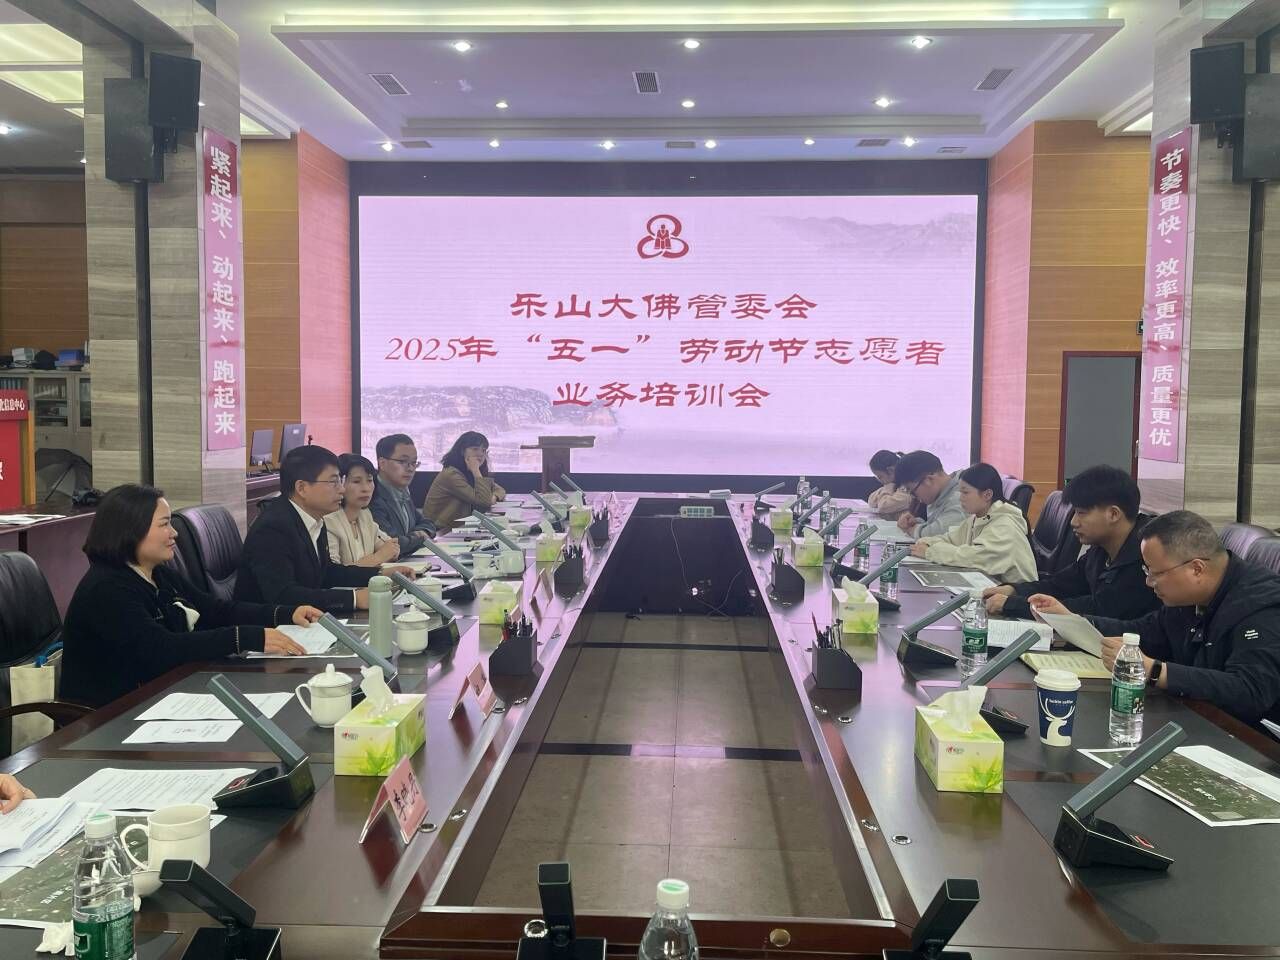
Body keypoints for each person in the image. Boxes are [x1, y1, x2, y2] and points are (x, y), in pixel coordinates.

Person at [61, 484, 314, 708]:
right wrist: (244, 638)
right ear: (131, 530)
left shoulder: (157, 573)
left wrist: (285, 613)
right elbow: (160, 648)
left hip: (167, 690)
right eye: (164, 524)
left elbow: (216, 610)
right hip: (115, 713)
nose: (174, 533)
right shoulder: (106, 588)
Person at [1031, 510, 1280, 726]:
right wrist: (1070, 620)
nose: (1149, 582)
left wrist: (1155, 670)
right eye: (1146, 570)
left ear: (1196, 569)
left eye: (1156, 573)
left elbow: (1251, 691)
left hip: (1252, 744)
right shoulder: (1188, 597)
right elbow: (1143, 632)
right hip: (1197, 717)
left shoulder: (1261, 605)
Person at [236, 445, 413, 614]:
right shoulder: (273, 528)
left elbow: (327, 573)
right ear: (302, 488)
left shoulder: (313, 519)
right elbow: (283, 595)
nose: (342, 489)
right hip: (273, 627)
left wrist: (381, 573)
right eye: (333, 482)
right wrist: (353, 599)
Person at [984, 465, 1157, 620]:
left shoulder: (1147, 557)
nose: (1073, 522)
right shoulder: (1102, 548)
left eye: (1081, 513)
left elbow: (1098, 609)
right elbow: (1061, 585)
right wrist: (1014, 590)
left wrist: (1014, 605)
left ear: (1113, 514)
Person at [910, 463, 1037, 584]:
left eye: (965, 492)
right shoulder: (977, 518)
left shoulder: (1005, 525)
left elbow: (974, 558)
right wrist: (926, 543)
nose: (960, 498)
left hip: (1016, 594)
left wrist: (930, 552)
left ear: (987, 495)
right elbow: (951, 539)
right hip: (992, 586)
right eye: (960, 492)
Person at [423, 431, 508, 534]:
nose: (481, 454)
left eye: (483, 450)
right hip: (440, 531)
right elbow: (484, 502)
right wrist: (476, 471)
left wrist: (493, 497)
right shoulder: (451, 474)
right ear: (463, 451)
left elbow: (500, 490)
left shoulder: (469, 471)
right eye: (475, 449)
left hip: (460, 527)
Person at [324, 453, 400, 567]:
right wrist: (378, 557)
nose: (365, 488)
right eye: (356, 481)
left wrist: (387, 553)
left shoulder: (365, 515)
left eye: (369, 480)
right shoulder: (329, 522)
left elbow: (391, 547)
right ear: (339, 483)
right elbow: (334, 572)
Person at [369, 433, 437, 555]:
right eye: (403, 461)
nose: (410, 468)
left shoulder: (402, 491)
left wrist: (420, 533)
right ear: (382, 463)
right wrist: (419, 536)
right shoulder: (372, 496)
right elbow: (393, 543)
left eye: (414, 462)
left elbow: (428, 524)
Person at [893, 450, 966, 540]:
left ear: (928, 480)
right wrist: (915, 523)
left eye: (912, 492)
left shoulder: (961, 495)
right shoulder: (941, 494)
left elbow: (938, 534)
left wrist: (911, 530)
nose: (914, 497)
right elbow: (938, 525)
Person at [866, 450, 914, 519]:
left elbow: (883, 507)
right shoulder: (893, 486)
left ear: (891, 470)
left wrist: (888, 487)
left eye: (880, 477)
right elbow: (871, 501)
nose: (879, 480)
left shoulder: (907, 488)